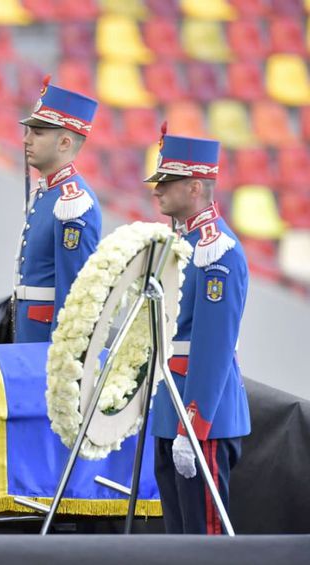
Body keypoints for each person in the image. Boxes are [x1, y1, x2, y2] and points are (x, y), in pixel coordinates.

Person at [145, 125, 251, 535]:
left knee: (204, 539)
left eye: (166, 182)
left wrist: (194, 423)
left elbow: (212, 347)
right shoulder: (181, 241)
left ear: (193, 187)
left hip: (196, 414)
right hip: (172, 408)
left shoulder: (215, 250)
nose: (157, 190)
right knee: (179, 536)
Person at [14, 76, 102, 343]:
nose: (26, 140)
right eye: (28, 131)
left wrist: (62, 358)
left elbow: (73, 295)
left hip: (45, 341)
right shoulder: (48, 193)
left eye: (38, 133)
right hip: (27, 332)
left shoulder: (72, 204)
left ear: (64, 143)